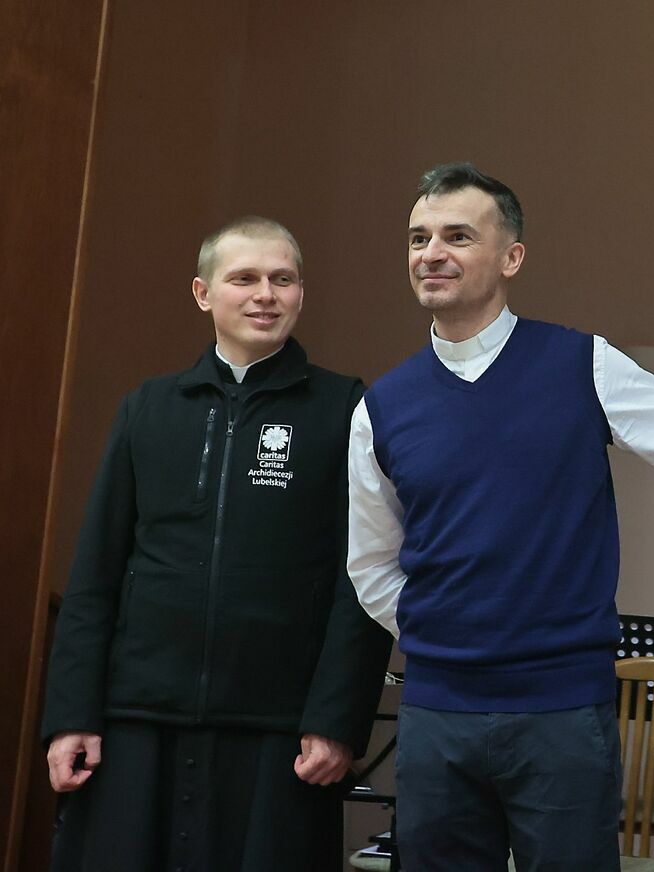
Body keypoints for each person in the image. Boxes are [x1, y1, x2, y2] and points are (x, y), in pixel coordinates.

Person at [346, 162, 654, 871]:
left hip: (562, 714)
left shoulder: (580, 363)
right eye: (418, 238)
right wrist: (447, 634)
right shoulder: (381, 408)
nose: (431, 253)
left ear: (512, 257)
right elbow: (371, 565)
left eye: (457, 236)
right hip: (436, 715)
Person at [42, 217, 393, 872]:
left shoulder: (345, 409)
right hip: (137, 718)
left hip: (279, 729)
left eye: (282, 279)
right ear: (203, 293)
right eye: (245, 278)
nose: (265, 294)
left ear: (301, 293)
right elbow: (95, 575)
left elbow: (363, 579)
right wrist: (71, 715)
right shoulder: (148, 408)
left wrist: (338, 720)